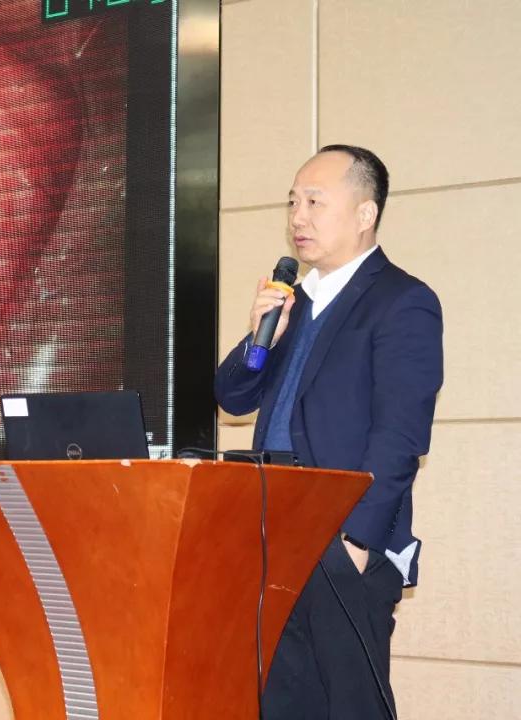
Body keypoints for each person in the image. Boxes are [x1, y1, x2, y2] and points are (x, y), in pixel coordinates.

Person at [214, 145, 444, 719]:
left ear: (366, 213)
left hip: (342, 538)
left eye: (315, 202)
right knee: (279, 702)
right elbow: (232, 397)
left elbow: (400, 436)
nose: (298, 217)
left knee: (350, 706)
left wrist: (358, 541)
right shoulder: (291, 304)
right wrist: (260, 335)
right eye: (293, 202)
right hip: (272, 531)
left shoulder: (403, 302)